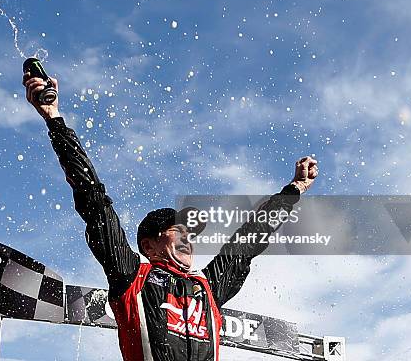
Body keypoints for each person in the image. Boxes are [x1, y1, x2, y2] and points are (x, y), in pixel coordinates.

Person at [24, 74, 318, 361]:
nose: (187, 238)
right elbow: (94, 200)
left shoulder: (208, 288)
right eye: (176, 230)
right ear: (148, 246)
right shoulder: (131, 277)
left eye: (190, 232)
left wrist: (294, 190)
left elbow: (249, 239)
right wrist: (54, 118)